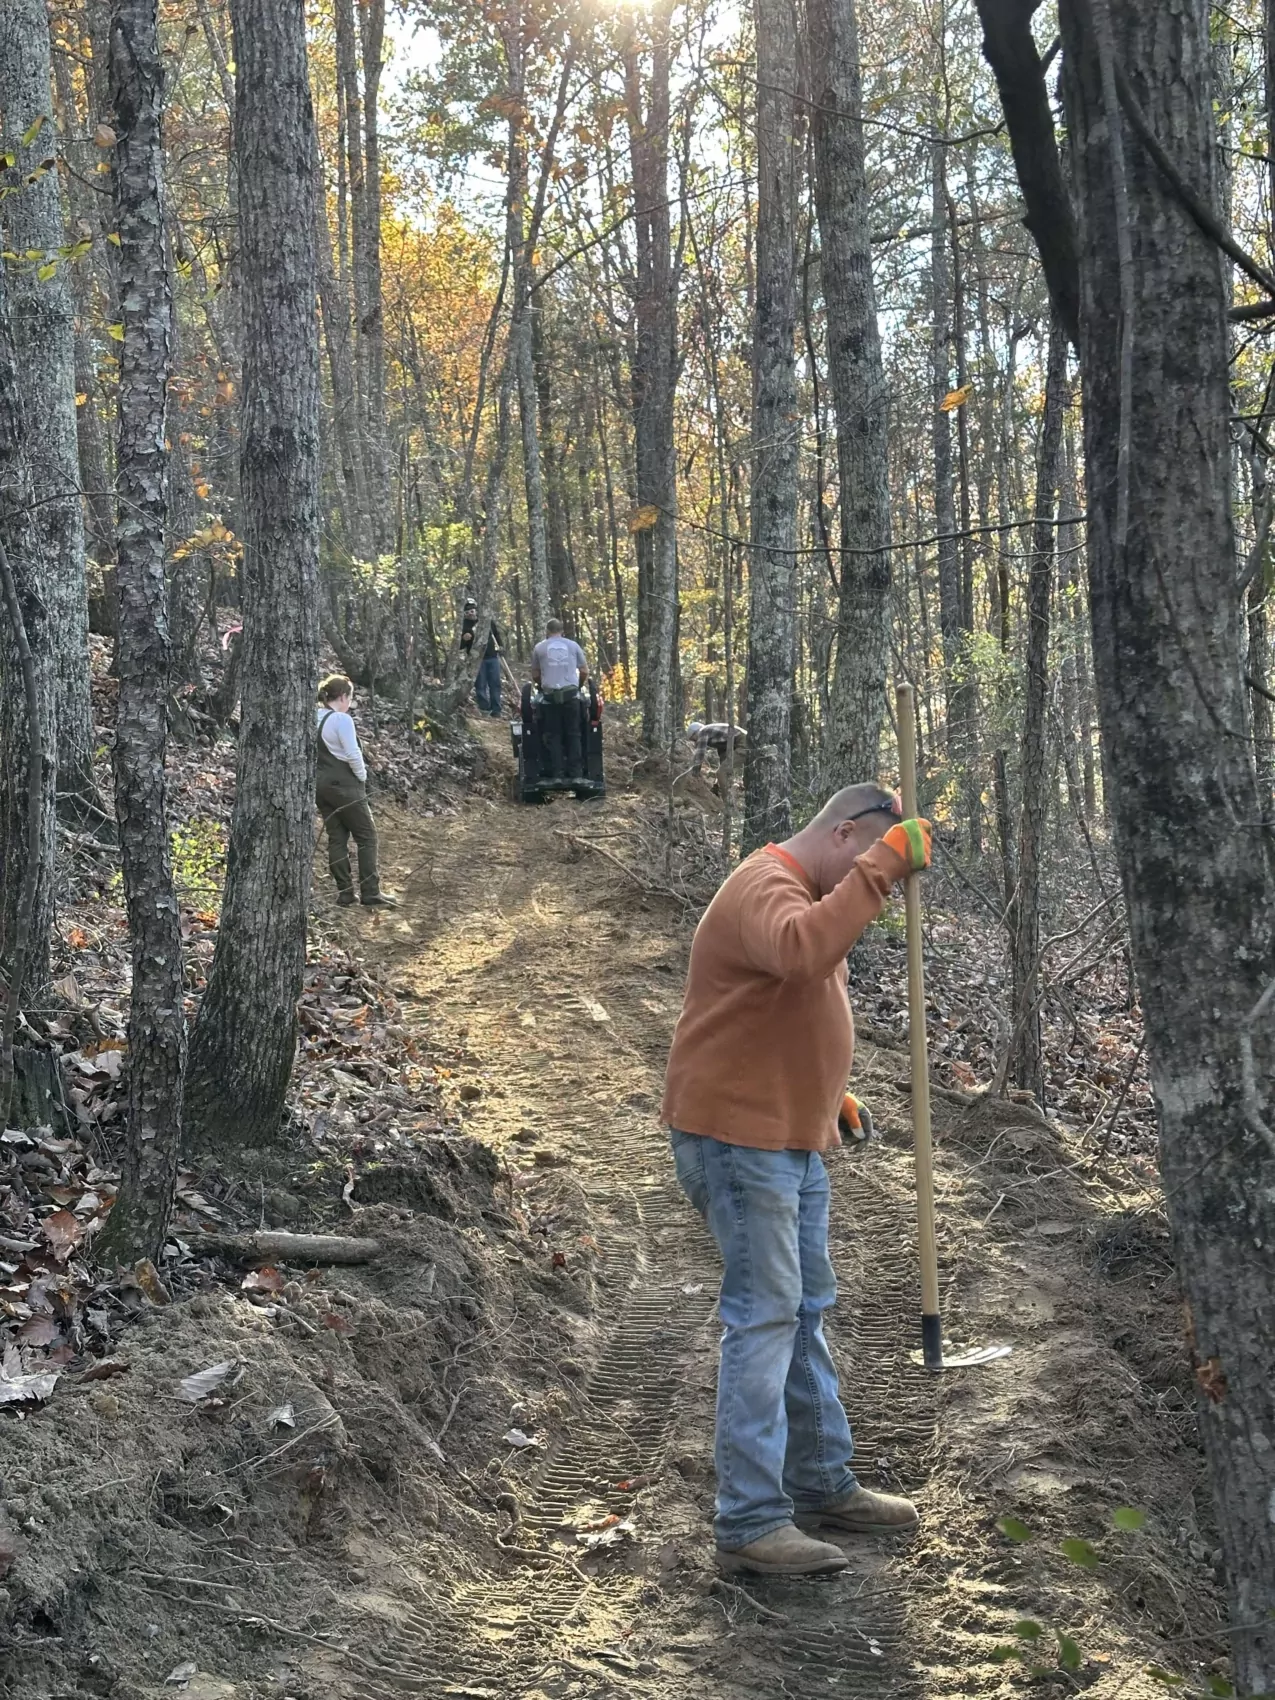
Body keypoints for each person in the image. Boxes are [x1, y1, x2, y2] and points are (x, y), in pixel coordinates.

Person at [662, 784, 932, 1578]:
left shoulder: (804, 890)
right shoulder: (766, 885)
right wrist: (881, 868)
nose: (873, 885)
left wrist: (824, 1094)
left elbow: (784, 1000)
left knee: (805, 1310)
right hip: (739, 1143)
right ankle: (748, 1522)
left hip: (784, 1133)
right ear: (842, 833)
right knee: (765, 1318)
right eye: (866, 854)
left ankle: (818, 1482)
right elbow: (802, 951)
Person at [315, 674, 397, 908]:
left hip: (320, 785)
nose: (350, 702)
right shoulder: (341, 720)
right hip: (345, 785)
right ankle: (371, 892)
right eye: (350, 697)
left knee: (336, 837)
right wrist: (362, 776)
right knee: (366, 836)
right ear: (342, 697)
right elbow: (352, 754)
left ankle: (345, 893)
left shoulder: (314, 716)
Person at [531, 618, 588, 780]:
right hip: (571, 696)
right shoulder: (573, 646)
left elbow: (535, 674)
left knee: (554, 735)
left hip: (550, 698)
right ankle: (576, 774)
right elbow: (584, 671)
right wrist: (578, 686)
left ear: (547, 631)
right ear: (563, 631)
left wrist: (541, 685)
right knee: (574, 734)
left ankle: (557, 774)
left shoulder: (539, 648)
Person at [460, 598, 504, 718]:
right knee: (480, 685)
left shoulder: (486, 621)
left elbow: (496, 634)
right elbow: (459, 646)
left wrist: (500, 646)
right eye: (467, 611)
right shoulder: (463, 625)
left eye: (472, 610)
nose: (470, 613)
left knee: (495, 684)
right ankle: (485, 709)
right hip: (477, 660)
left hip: (492, 657)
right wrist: (464, 639)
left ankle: (496, 710)